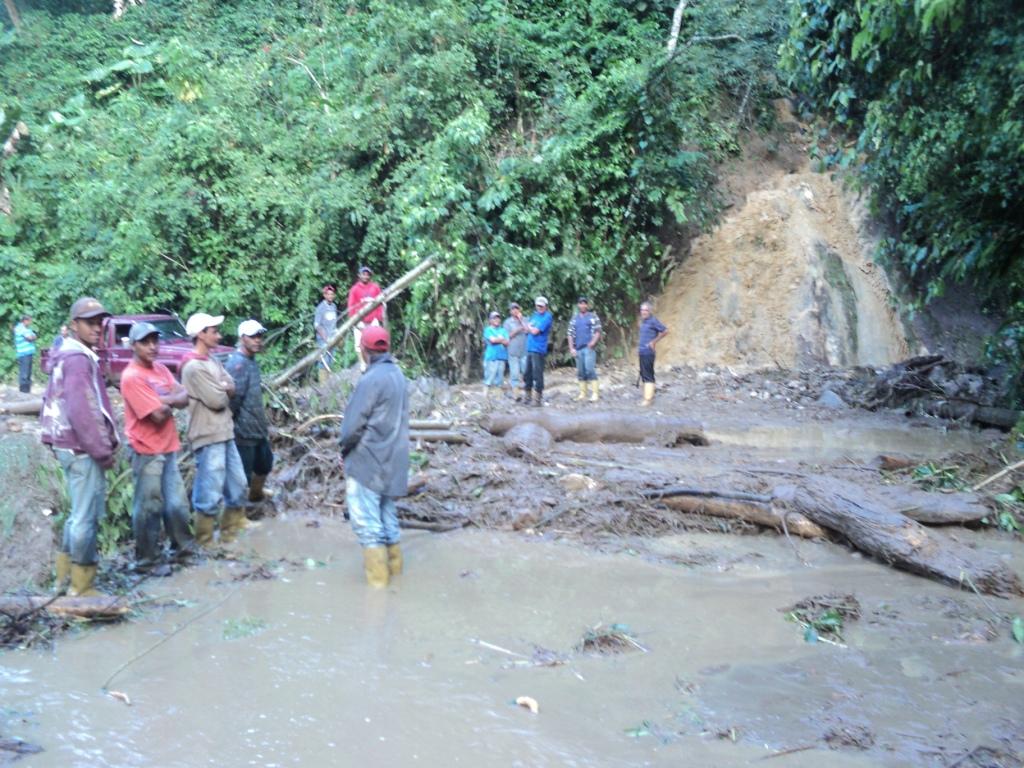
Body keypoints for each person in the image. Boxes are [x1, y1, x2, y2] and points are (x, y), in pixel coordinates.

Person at [39, 297, 119, 596]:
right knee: (86, 517)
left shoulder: (69, 354)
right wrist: (102, 451)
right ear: (74, 325)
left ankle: (63, 580)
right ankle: (82, 586)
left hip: (68, 445)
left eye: (100, 323)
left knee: (77, 515)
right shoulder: (77, 359)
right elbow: (82, 410)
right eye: (90, 323)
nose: (97, 328)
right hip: (81, 449)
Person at [120, 321, 195, 575]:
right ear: (133, 346)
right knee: (148, 507)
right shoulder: (131, 377)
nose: (152, 346)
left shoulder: (161, 369)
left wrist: (162, 399)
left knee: (177, 504)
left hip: (168, 446)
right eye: (145, 342)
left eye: (155, 340)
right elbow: (158, 416)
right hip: (145, 451)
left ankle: (182, 550)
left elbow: (185, 397)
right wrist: (169, 401)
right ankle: (147, 561)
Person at [338, 326, 409, 588]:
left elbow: (351, 428)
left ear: (364, 350)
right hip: (393, 461)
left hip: (367, 463)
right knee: (388, 522)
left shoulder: (370, 379)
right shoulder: (398, 375)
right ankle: (396, 582)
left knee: (368, 527)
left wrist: (344, 451)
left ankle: (378, 592)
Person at [181, 312, 248, 545]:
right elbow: (218, 400)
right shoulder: (193, 367)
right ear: (201, 334)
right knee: (209, 490)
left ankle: (230, 534)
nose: (219, 336)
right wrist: (223, 388)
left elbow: (232, 385)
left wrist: (223, 387)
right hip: (207, 434)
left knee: (238, 484)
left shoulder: (212, 361)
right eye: (214, 331)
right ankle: (205, 540)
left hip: (225, 430)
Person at [225, 319, 274, 503]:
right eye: (253, 337)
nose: (258, 340)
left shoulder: (251, 361)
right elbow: (233, 400)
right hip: (243, 431)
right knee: (242, 475)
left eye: (260, 336)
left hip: (257, 428)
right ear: (242, 338)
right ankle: (237, 511)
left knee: (265, 464)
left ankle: (255, 495)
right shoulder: (237, 364)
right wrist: (231, 427)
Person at [347, 265, 385, 372]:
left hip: (373, 320)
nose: (365, 276)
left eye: (367, 274)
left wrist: (378, 317)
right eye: (363, 274)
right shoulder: (354, 289)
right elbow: (351, 306)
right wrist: (354, 320)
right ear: (359, 275)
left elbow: (380, 303)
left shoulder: (375, 287)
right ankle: (362, 364)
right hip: (359, 320)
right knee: (358, 344)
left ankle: (375, 362)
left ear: (370, 276)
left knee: (376, 342)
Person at [567, 296, 603, 402]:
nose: (582, 305)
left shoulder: (593, 316)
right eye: (581, 303)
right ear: (578, 305)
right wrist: (571, 348)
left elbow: (598, 331)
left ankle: (595, 393)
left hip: (588, 348)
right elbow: (570, 334)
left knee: (589, 369)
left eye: (584, 303)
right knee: (580, 372)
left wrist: (593, 342)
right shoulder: (574, 318)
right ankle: (583, 393)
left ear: (587, 305)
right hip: (578, 348)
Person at [522, 296, 553, 407]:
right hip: (530, 347)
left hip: (538, 348)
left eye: (541, 306)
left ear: (546, 306)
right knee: (527, 373)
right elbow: (526, 330)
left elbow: (535, 331)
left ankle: (537, 398)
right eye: (538, 306)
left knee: (537, 374)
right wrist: (529, 328)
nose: (539, 307)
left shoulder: (547, 317)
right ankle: (527, 396)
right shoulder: (534, 316)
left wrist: (529, 327)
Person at [638, 302, 669, 407]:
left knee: (648, 375)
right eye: (642, 310)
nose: (643, 312)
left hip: (648, 352)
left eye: (646, 310)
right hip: (642, 352)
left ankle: (648, 400)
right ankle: (650, 395)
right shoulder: (644, 322)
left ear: (650, 311)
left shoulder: (653, 321)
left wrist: (654, 342)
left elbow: (665, 331)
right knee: (644, 374)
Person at [482, 311, 509, 401]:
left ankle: (498, 398)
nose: (496, 320)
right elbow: (492, 341)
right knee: (489, 378)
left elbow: (507, 342)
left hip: (501, 357)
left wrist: (498, 340)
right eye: (494, 318)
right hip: (491, 358)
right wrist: (501, 339)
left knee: (500, 379)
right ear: (490, 320)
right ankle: (485, 398)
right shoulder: (488, 330)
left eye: (498, 318)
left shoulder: (503, 330)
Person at [314, 284, 339, 382]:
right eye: (328, 294)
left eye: (332, 294)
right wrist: (325, 338)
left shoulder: (334, 306)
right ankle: (322, 385)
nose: (330, 296)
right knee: (323, 362)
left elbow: (334, 323)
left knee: (330, 361)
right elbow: (317, 325)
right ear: (324, 295)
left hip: (332, 338)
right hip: (323, 340)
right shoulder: (320, 308)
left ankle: (328, 384)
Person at [503, 303, 528, 398]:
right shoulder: (507, 322)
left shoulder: (525, 319)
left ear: (519, 309)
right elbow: (506, 336)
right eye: (513, 309)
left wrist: (521, 320)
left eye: (516, 308)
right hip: (513, 351)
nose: (515, 310)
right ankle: (516, 394)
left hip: (524, 351)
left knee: (526, 371)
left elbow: (528, 330)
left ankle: (528, 392)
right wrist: (518, 329)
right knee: (514, 373)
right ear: (510, 311)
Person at [13, 314, 37, 393]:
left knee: (28, 372)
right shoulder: (19, 328)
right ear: (25, 321)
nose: (30, 322)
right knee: (24, 373)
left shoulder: (27, 329)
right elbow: (30, 337)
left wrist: (32, 337)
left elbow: (34, 336)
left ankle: (27, 390)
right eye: (29, 321)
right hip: (23, 353)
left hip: (29, 353)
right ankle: (23, 391)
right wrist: (31, 337)